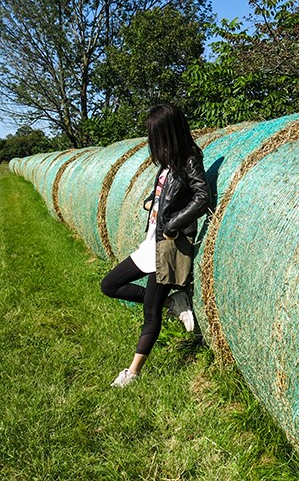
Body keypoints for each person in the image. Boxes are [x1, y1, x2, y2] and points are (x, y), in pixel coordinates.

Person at [100, 103, 210, 388]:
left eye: (154, 134)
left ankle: (132, 373)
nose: (151, 141)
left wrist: (173, 224)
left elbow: (202, 197)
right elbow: (162, 193)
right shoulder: (168, 163)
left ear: (167, 133)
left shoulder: (189, 160)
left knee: (150, 311)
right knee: (110, 285)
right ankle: (173, 302)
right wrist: (151, 201)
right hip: (152, 240)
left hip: (167, 243)